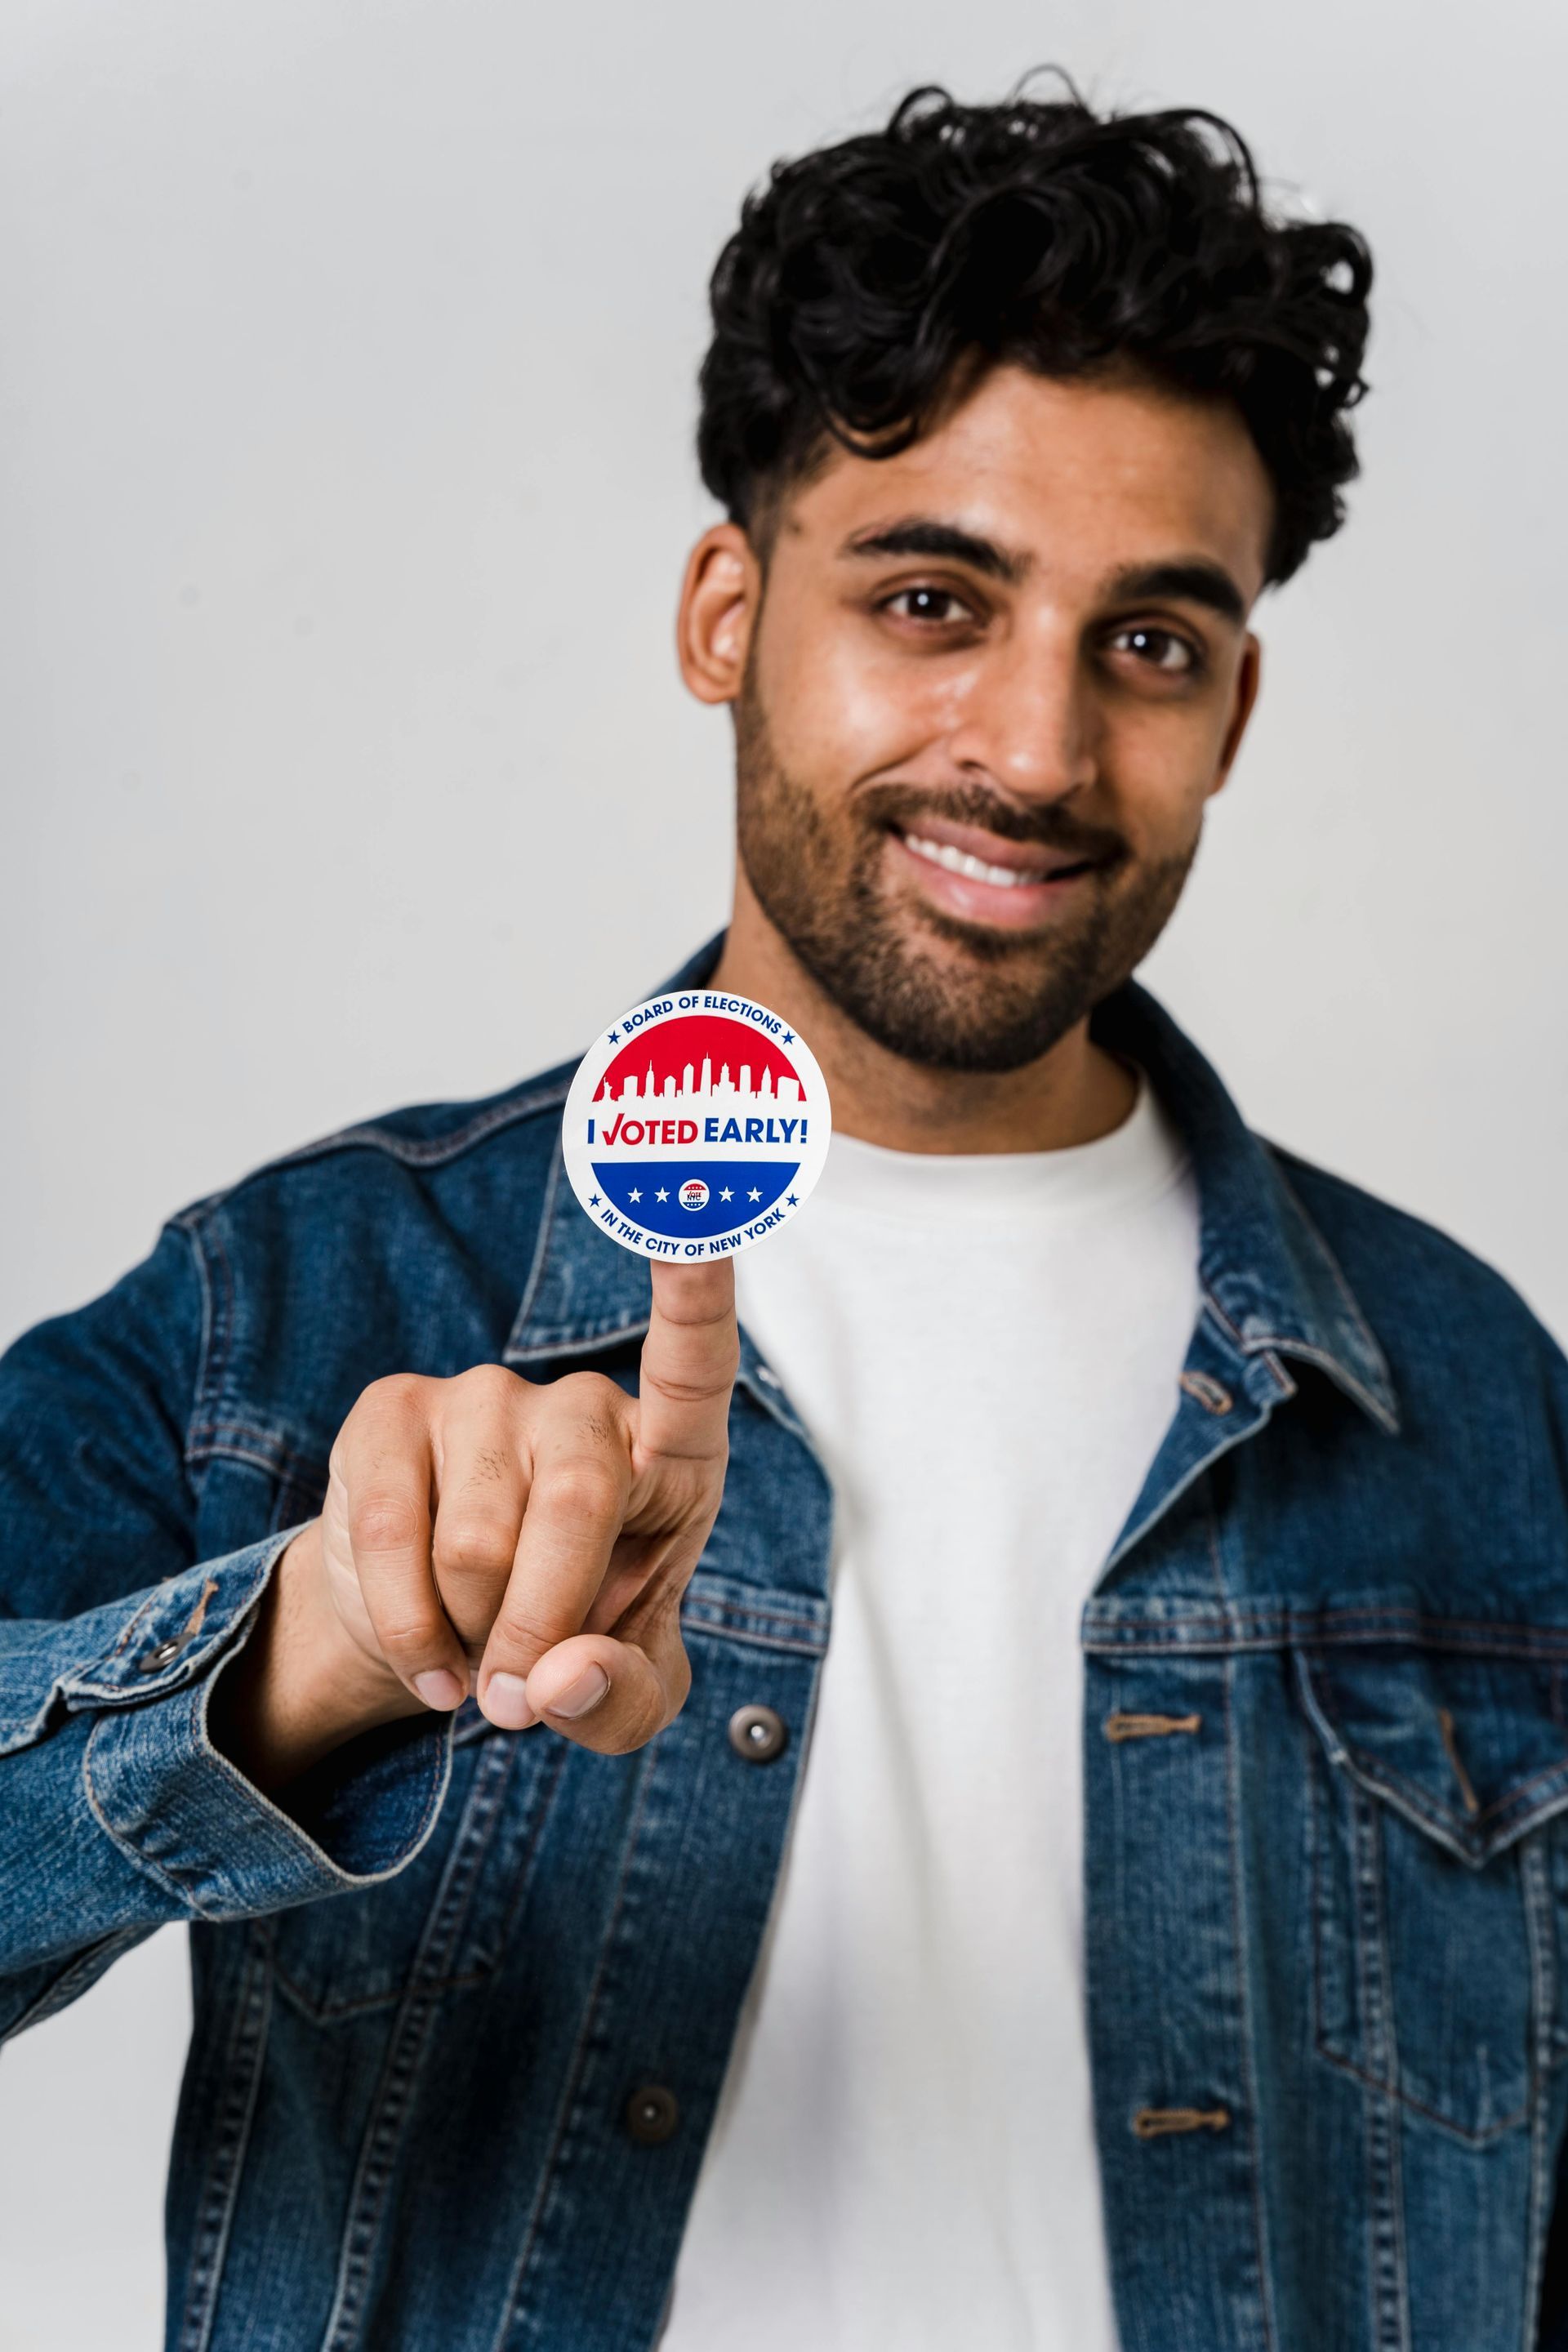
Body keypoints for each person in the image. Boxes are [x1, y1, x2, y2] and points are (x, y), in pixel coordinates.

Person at [4, 71, 1566, 2352]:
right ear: (727, 610)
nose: (1034, 749)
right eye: (934, 597)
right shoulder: (299, 1303)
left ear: (1232, 709)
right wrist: (314, 1656)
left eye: (1150, 640)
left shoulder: (1469, 1401)